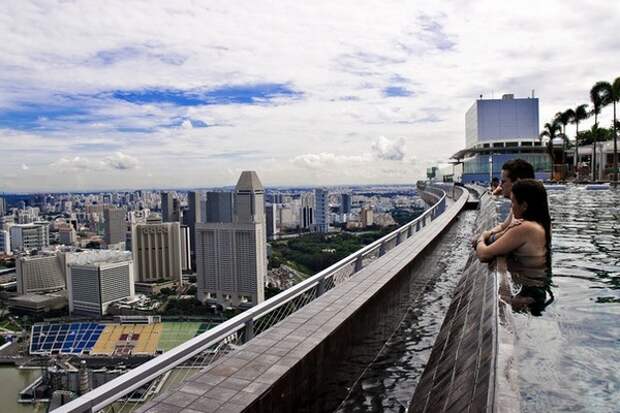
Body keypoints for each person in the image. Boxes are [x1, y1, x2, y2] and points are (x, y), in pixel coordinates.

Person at [475, 179, 551, 262]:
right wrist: (505, 233)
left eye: (513, 202)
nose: (511, 206)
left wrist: (481, 238)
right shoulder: (541, 224)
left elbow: (484, 254)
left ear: (524, 206)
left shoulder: (525, 228)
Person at [475, 159, 535, 246]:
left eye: (503, 181)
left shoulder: (527, 215)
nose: (500, 186)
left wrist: (483, 238)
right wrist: (488, 233)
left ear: (517, 183)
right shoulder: (518, 205)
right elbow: (503, 226)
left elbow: (485, 254)